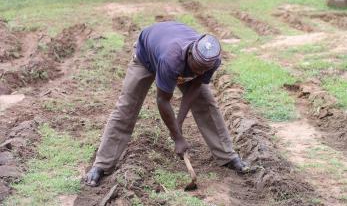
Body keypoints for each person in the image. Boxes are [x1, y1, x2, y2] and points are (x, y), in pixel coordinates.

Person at [85, 21, 249, 187]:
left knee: (206, 103)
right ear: (190, 53)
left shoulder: (211, 60)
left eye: (204, 69)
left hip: (172, 49)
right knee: (127, 107)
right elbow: (162, 100)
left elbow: (197, 85)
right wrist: (177, 137)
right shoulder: (171, 59)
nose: (199, 72)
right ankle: (101, 165)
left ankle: (227, 156)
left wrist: (178, 124)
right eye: (197, 67)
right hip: (146, 55)